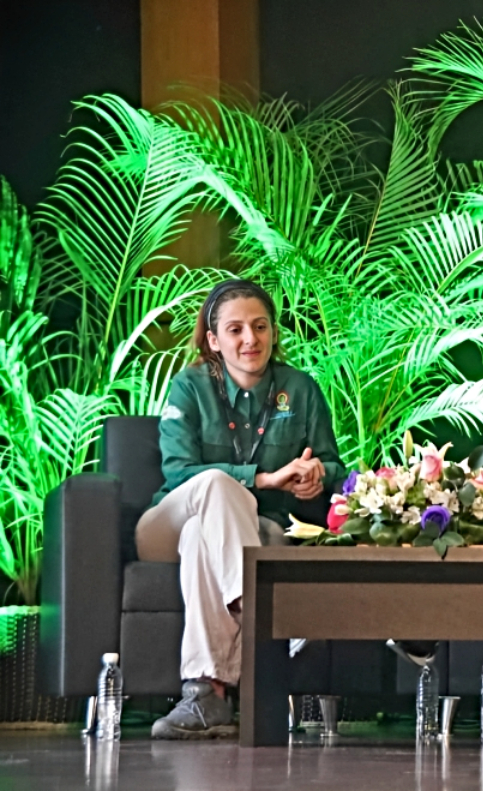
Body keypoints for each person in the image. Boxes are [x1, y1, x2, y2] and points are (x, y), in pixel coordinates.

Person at [136, 279, 343, 739]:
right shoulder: (189, 387)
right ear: (213, 340)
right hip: (166, 526)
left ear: (272, 332)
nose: (250, 339)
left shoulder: (300, 389)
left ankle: (206, 696)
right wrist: (265, 479)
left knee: (201, 543)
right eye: (235, 330)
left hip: (258, 530)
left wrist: (315, 477)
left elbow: (332, 462)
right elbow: (179, 473)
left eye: (260, 326)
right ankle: (267, 614)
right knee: (213, 486)